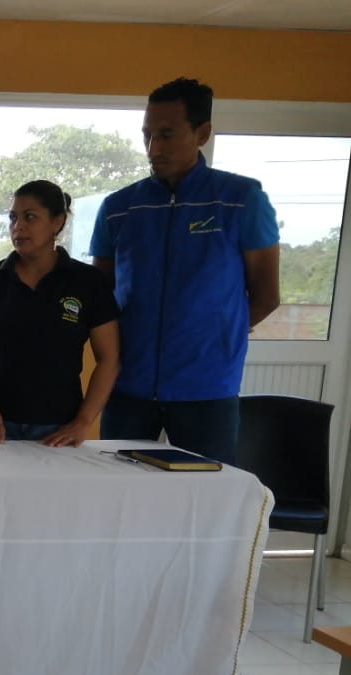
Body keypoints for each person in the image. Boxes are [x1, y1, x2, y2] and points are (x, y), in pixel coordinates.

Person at [91, 77, 281, 464]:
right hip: (128, 386)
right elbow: (100, 298)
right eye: (147, 135)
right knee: (117, 490)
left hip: (207, 390)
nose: (153, 148)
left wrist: (215, 336)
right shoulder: (119, 208)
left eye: (166, 134)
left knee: (205, 493)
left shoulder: (241, 201)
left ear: (202, 133)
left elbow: (266, 296)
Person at [0, 180, 120, 446]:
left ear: (57, 222)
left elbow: (109, 358)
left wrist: (83, 421)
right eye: (13, 218)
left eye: (30, 217)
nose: (18, 226)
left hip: (57, 429)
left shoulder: (87, 282)